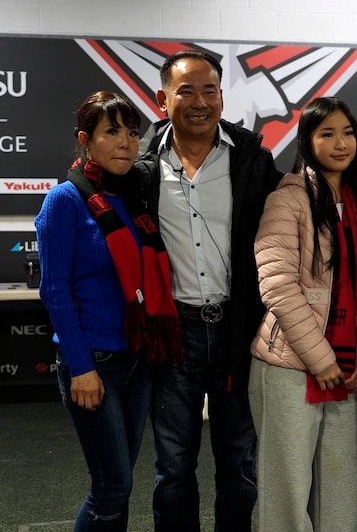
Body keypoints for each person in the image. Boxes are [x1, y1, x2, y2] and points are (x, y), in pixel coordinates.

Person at [137, 49, 282, 532]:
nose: (200, 102)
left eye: (210, 90)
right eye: (186, 91)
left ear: (222, 96)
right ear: (162, 99)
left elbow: (303, 213)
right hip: (172, 333)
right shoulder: (138, 168)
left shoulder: (254, 161)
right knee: (173, 468)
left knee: (239, 464)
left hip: (238, 331)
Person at [36, 91, 181, 531]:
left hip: (139, 361)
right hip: (94, 364)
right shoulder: (65, 199)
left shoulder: (136, 198)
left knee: (119, 486)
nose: (126, 143)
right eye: (112, 132)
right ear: (86, 139)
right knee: (111, 486)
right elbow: (55, 290)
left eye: (133, 133)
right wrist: (80, 368)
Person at [247, 97, 357, 531]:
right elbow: (278, 286)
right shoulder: (287, 200)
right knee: (285, 491)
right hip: (290, 365)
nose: (340, 142)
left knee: (340, 485)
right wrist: (320, 358)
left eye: (347, 132)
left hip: (344, 366)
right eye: (327, 133)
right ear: (307, 141)